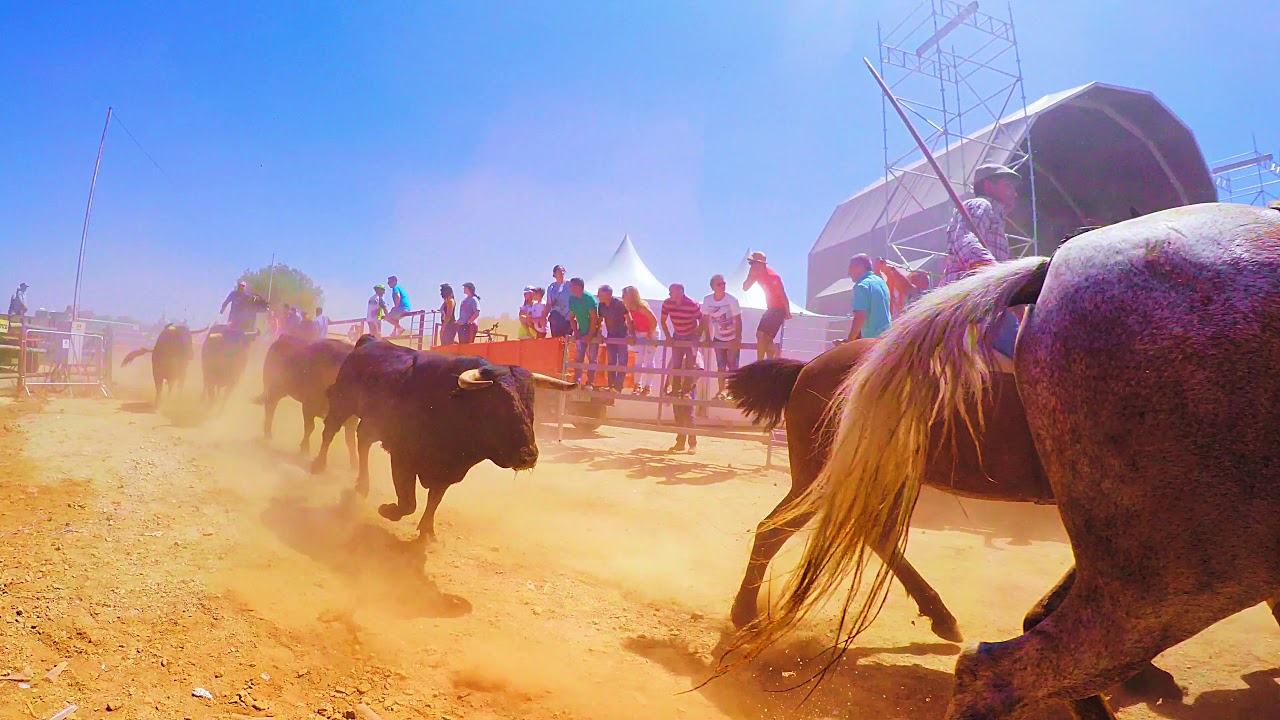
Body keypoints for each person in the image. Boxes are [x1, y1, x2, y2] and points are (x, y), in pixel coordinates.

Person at [942, 163, 1022, 363]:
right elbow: (963, 238)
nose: (1014, 193)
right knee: (1023, 350)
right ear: (988, 185)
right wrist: (996, 274)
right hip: (975, 297)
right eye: (1008, 185)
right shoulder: (981, 204)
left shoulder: (996, 219)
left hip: (988, 295)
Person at [742, 252, 790, 360]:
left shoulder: (773, 277)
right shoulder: (755, 274)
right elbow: (745, 288)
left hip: (779, 309)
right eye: (751, 263)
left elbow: (783, 296)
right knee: (763, 337)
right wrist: (750, 276)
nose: (751, 265)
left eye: (753, 263)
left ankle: (766, 361)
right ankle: (765, 361)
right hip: (771, 308)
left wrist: (787, 312)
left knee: (763, 336)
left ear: (761, 264)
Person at [701, 274, 742, 400]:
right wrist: (708, 337)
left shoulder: (732, 299)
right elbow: (705, 319)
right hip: (718, 337)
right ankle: (721, 391)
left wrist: (738, 339)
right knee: (721, 365)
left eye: (724, 283)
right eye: (719, 284)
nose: (723, 286)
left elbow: (738, 320)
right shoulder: (707, 300)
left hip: (732, 337)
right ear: (713, 287)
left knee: (733, 365)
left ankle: (733, 391)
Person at [661, 283, 702, 397]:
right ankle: (675, 390)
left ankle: (686, 391)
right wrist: (668, 336)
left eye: (671, 291)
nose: (669, 294)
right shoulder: (667, 303)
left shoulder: (692, 304)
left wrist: (697, 336)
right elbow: (663, 320)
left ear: (680, 292)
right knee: (676, 364)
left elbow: (702, 320)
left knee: (690, 365)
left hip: (691, 336)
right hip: (677, 335)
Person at [846, 254, 893, 342]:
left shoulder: (862, 286)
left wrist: (849, 342)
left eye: (851, 268)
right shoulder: (881, 282)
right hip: (888, 339)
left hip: (873, 342)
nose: (849, 273)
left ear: (860, 267)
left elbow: (860, 317)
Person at [622, 286, 658, 396]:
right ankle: (637, 385)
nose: (623, 297)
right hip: (639, 333)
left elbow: (653, 320)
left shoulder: (641, 307)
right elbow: (629, 322)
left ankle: (648, 386)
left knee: (649, 360)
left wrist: (650, 333)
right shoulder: (627, 308)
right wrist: (631, 334)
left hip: (651, 332)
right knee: (638, 360)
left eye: (625, 295)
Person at [596, 285, 632, 392]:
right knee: (611, 361)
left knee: (622, 361)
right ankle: (611, 385)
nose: (598, 296)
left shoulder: (619, 303)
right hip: (611, 336)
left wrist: (632, 335)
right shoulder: (601, 305)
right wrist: (599, 333)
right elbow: (600, 320)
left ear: (608, 294)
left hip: (622, 336)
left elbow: (629, 318)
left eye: (600, 294)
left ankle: (618, 386)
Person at [567, 278, 599, 387]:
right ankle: (577, 381)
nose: (569, 288)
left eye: (571, 286)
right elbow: (571, 317)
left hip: (594, 333)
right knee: (579, 357)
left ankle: (590, 382)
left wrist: (590, 335)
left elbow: (594, 318)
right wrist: (575, 331)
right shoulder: (572, 299)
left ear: (578, 287)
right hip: (581, 332)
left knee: (592, 358)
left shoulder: (589, 299)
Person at [546, 265, 572, 338]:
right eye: (559, 271)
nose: (561, 272)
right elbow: (549, 303)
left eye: (563, 270)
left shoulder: (570, 284)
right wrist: (544, 316)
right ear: (554, 273)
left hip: (568, 317)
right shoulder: (551, 287)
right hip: (555, 318)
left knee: (567, 339)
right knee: (556, 339)